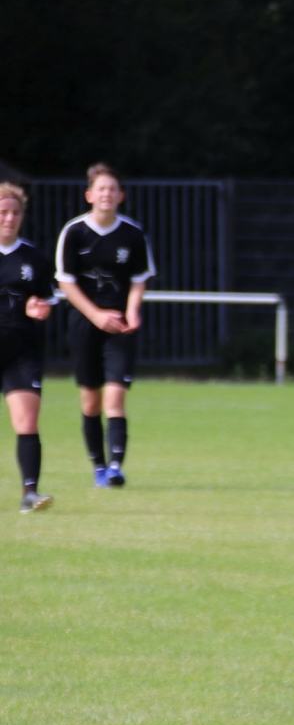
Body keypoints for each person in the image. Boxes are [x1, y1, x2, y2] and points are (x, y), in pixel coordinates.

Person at [56, 164, 153, 488]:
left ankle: (115, 468)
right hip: (84, 324)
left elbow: (139, 279)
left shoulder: (132, 234)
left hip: (119, 328)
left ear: (120, 195)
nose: (106, 194)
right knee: (91, 401)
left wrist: (132, 311)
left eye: (112, 189)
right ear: (89, 195)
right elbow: (66, 282)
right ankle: (98, 466)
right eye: (101, 189)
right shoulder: (74, 232)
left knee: (115, 397)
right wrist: (96, 315)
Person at [0, 184, 55, 512]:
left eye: (15, 213)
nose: (9, 218)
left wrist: (38, 309)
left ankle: (30, 494)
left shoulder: (34, 258)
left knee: (27, 421)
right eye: (3, 212)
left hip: (21, 352)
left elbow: (44, 301)